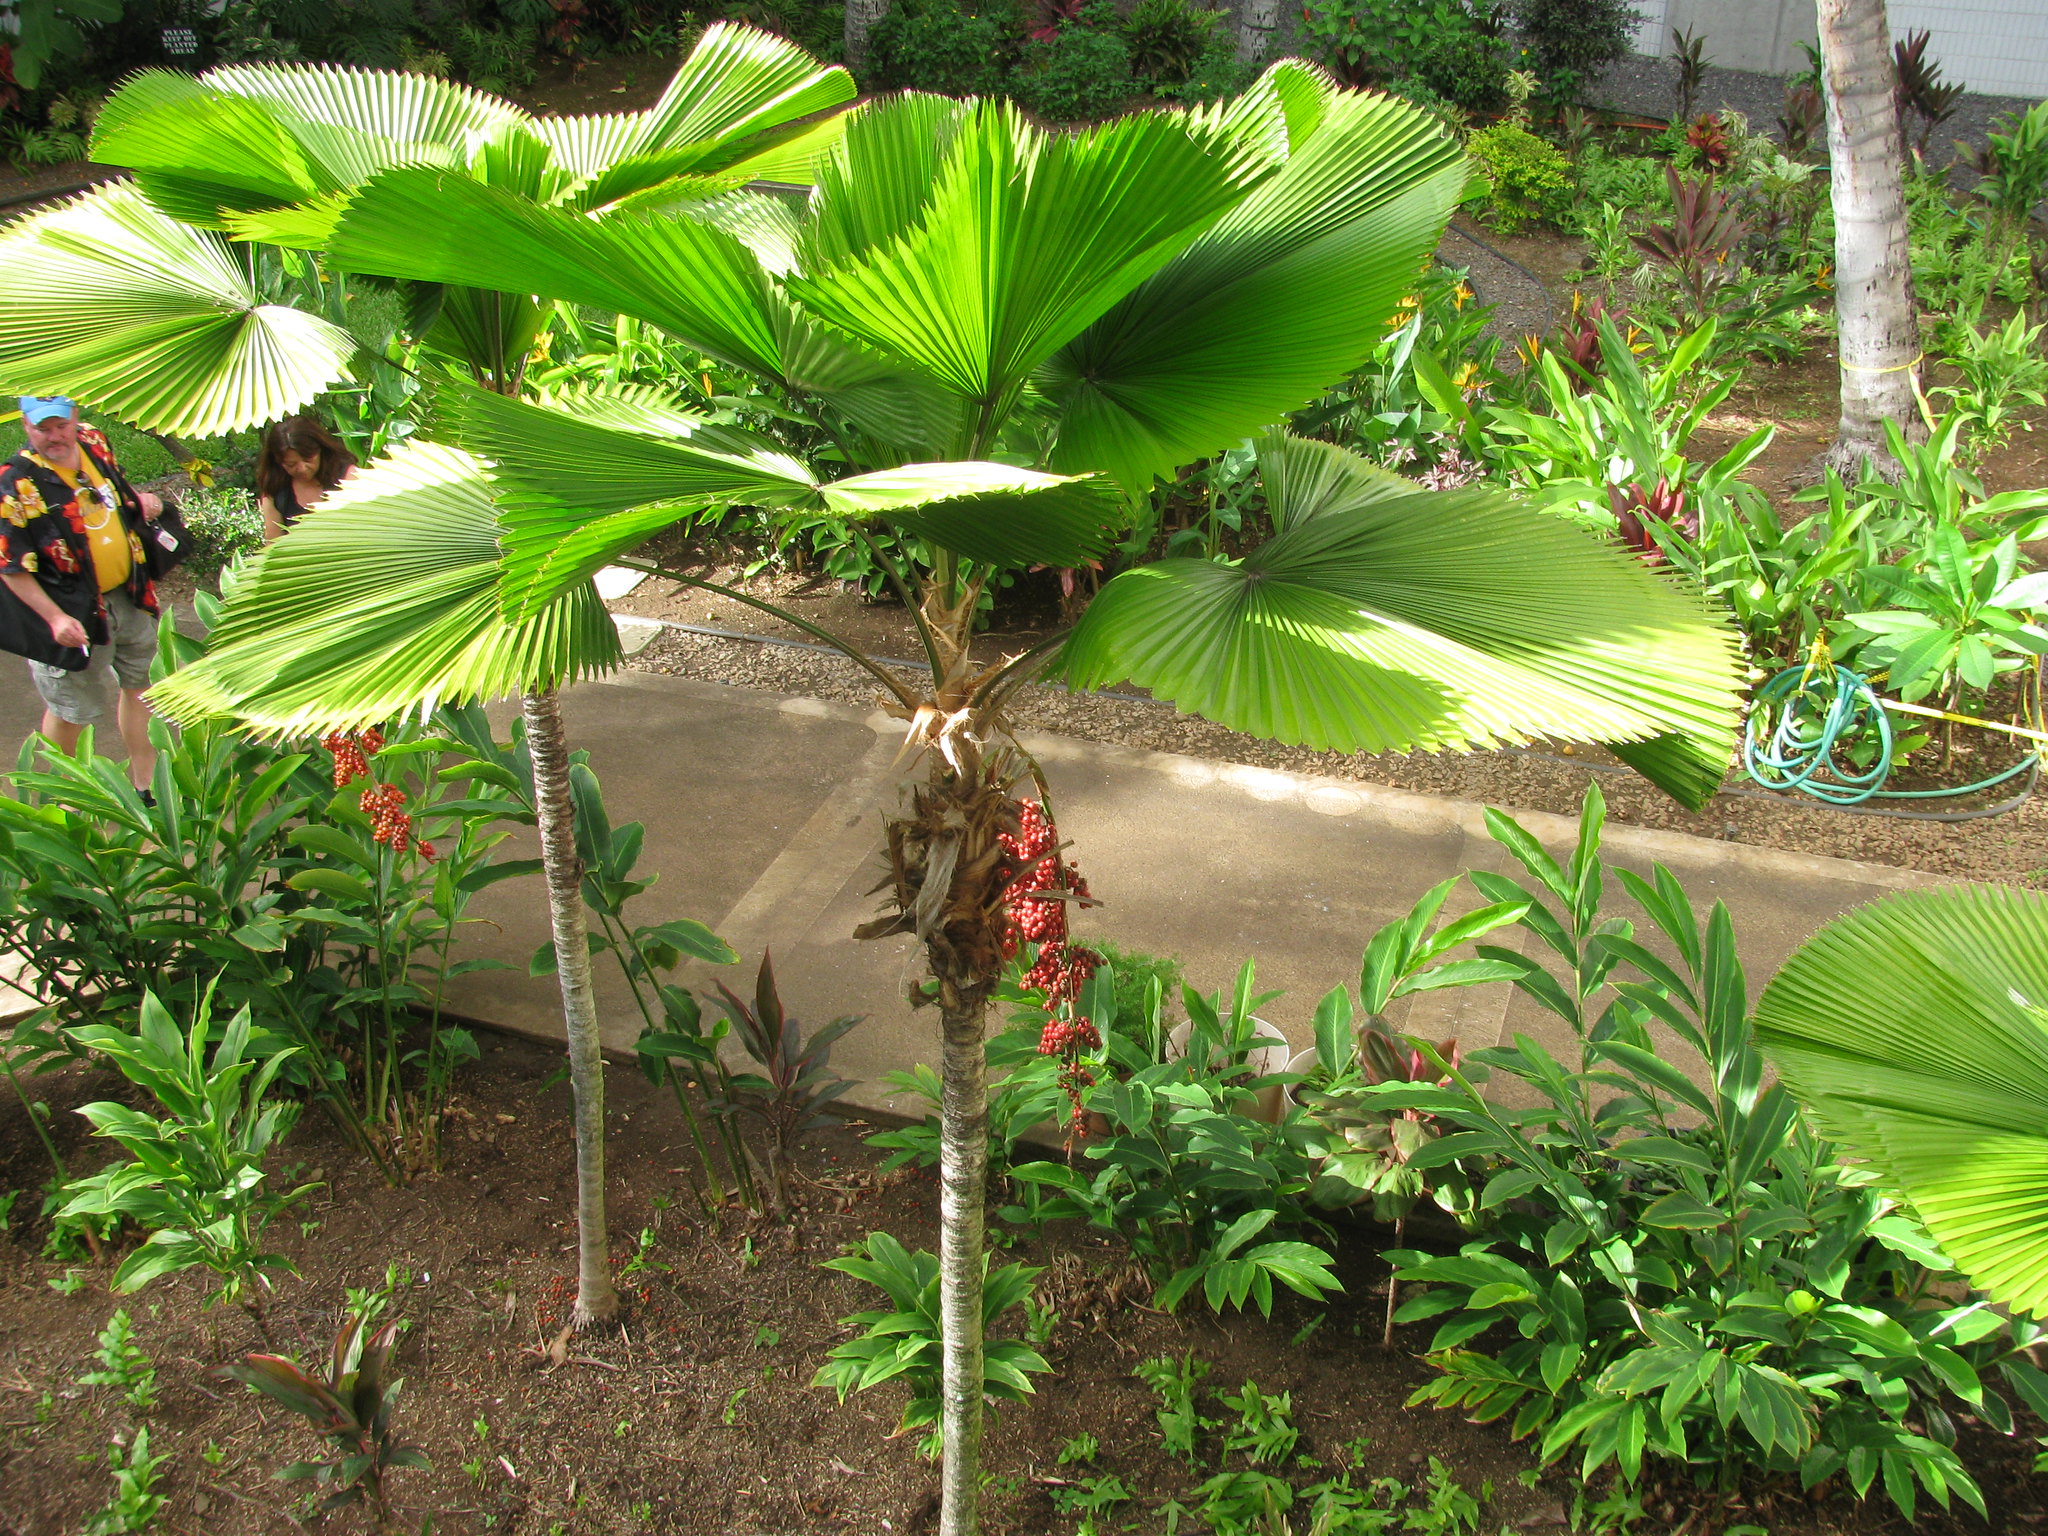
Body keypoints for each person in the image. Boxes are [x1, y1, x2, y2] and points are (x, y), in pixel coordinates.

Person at [0, 396, 166, 789]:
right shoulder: (15, 482)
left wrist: (138, 504)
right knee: (73, 708)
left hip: (130, 595)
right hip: (72, 611)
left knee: (141, 686)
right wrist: (55, 619)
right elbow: (10, 564)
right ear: (26, 426)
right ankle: (70, 798)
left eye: (61, 425)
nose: (54, 436)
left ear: (75, 418)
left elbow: (113, 494)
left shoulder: (93, 441)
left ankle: (148, 786)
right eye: (43, 428)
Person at [255, 415, 357, 541]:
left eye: (308, 459)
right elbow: (272, 542)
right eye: (291, 465)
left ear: (320, 450)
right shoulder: (275, 491)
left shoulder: (348, 476)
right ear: (278, 462)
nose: (302, 468)